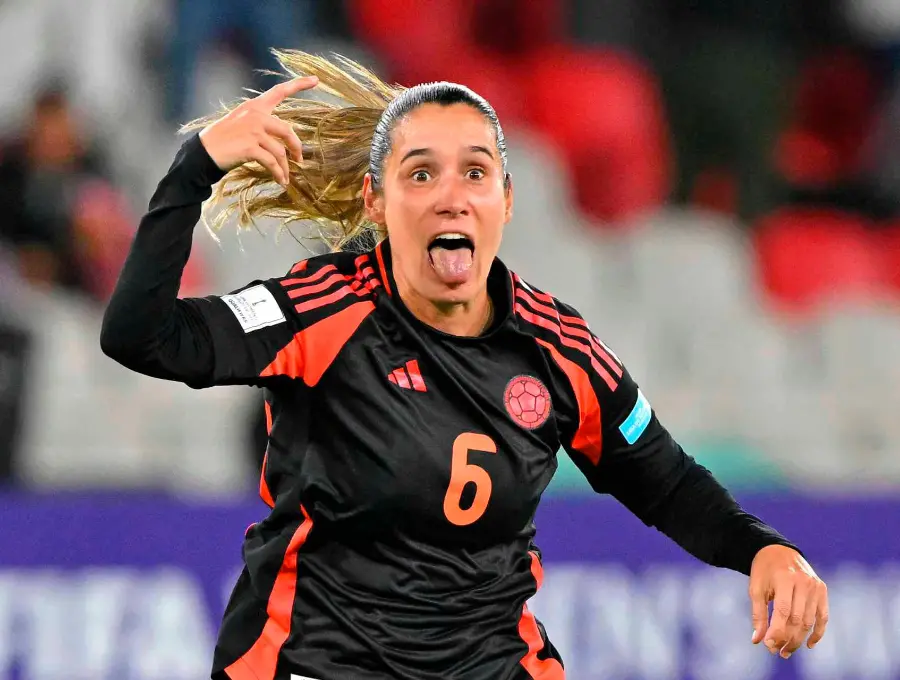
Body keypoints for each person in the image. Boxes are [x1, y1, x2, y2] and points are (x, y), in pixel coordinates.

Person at [100, 52, 829, 680]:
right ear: (376, 202)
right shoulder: (321, 311)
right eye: (420, 175)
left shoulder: (557, 348)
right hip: (316, 662)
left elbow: (664, 480)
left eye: (475, 173)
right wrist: (195, 168)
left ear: (506, 201)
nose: (451, 195)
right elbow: (142, 334)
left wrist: (764, 550)